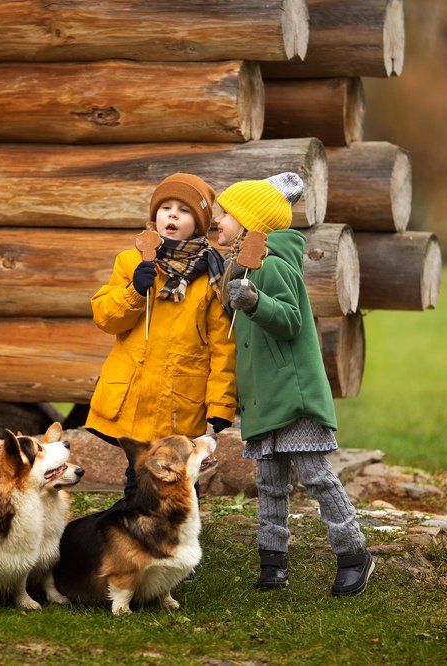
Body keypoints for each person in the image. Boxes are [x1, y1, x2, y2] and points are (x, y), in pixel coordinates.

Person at [216, 172, 374, 597]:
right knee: (269, 482)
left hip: (294, 395)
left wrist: (253, 300)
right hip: (265, 398)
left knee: (315, 475)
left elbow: (290, 321)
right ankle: (273, 562)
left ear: (252, 224)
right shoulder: (245, 264)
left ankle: (354, 553)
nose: (219, 221)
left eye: (226, 214)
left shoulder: (275, 264)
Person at [84, 173, 236, 497]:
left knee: (177, 482)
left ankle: (176, 533)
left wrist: (221, 405)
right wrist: (134, 290)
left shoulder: (211, 277)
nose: (172, 214)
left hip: (179, 403)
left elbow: (223, 346)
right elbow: (105, 318)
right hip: (133, 400)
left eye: (184, 210)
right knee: (137, 476)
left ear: (198, 224)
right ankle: (135, 536)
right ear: (154, 217)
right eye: (165, 207)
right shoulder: (132, 262)